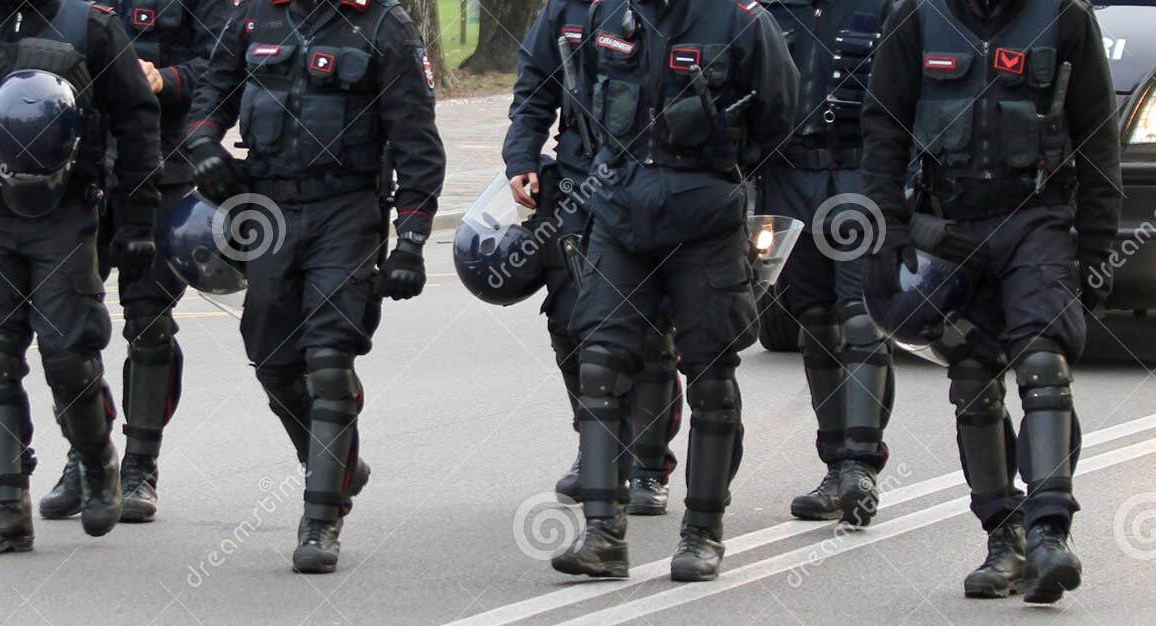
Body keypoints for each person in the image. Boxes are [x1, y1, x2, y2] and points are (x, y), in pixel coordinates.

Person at [862, 0, 1121, 603]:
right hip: (949, 226)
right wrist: (886, 230)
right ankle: (1003, 538)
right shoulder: (916, 18)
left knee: (1042, 363)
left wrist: (1100, 247)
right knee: (974, 381)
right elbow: (883, 128)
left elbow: (1097, 138)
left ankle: (1050, 532)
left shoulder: (1066, 18)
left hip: (1036, 220)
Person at [184, 0, 446, 574]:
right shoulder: (254, 16)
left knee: (328, 360)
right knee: (273, 361)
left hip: (346, 210)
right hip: (268, 210)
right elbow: (211, 95)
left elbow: (416, 140)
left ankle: (321, 518)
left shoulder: (384, 25)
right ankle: (339, 459)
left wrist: (412, 240)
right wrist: (203, 146)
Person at [0, 0, 162, 555]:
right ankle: (7, 512)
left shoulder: (91, 29)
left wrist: (137, 221)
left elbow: (137, 122)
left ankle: (97, 462)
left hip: (65, 214)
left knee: (69, 354)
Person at [548, 0, 796, 583]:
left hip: (705, 222)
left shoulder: (741, 20)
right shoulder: (606, 14)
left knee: (710, 373)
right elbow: (583, 103)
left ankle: (703, 534)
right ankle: (604, 534)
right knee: (601, 365)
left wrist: (718, 180)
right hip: (619, 216)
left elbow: (779, 118)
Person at [40, 0, 232, 525]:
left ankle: (141, 466)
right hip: (80, 168)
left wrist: (165, 79)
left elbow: (224, 67)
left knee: (149, 323)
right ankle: (86, 456)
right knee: (66, 326)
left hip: (160, 169)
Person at [502, 0, 684, 516]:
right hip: (579, 181)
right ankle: (596, 449)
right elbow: (533, 91)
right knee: (570, 320)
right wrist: (521, 159)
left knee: (648, 329)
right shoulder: (565, 10)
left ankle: (649, 464)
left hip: (652, 179)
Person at [758, 0, 893, 527]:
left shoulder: (885, 8)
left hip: (860, 175)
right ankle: (835, 465)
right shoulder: (771, 11)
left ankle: (861, 464)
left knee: (861, 318)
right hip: (791, 179)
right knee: (814, 321)